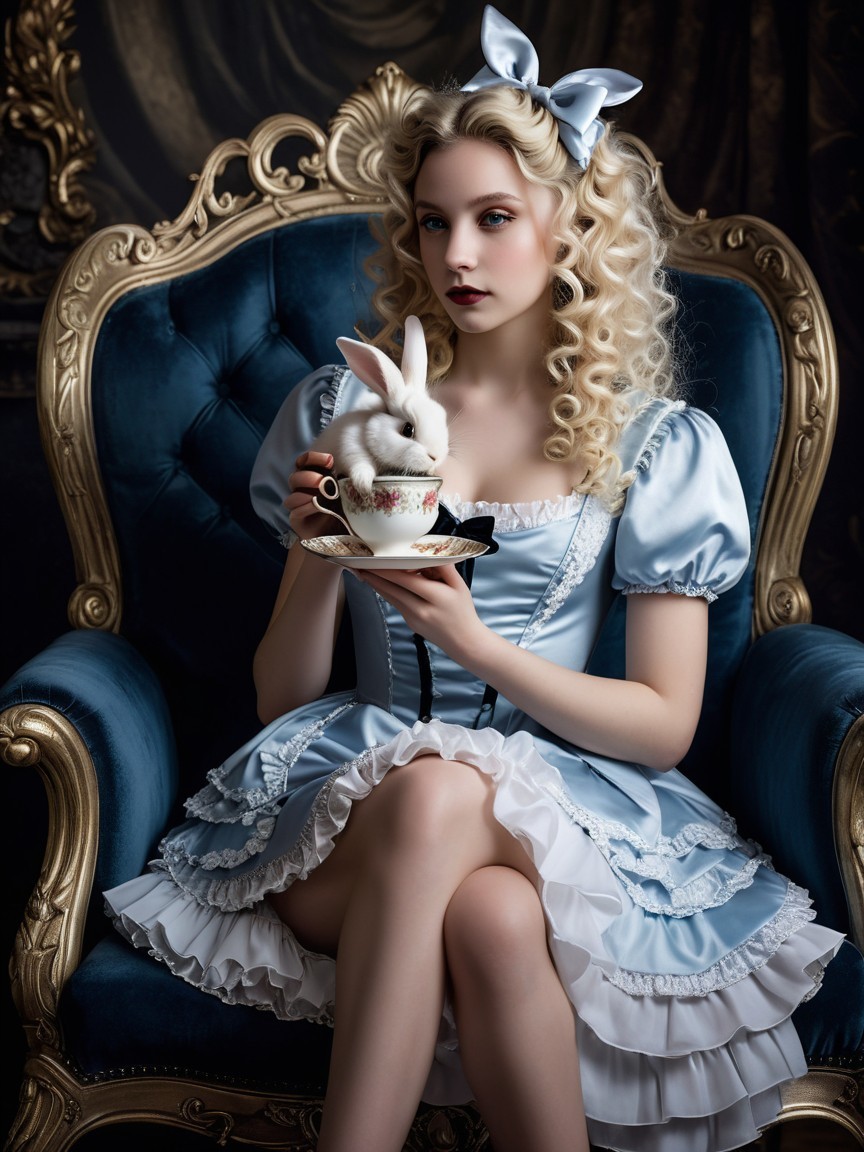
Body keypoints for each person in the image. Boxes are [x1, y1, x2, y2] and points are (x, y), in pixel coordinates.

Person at [105, 8, 843, 1151]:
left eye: (494, 219)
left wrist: (480, 643)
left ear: (568, 228)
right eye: (435, 221)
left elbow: (662, 723)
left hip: (562, 825)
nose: (455, 255)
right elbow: (281, 702)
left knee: (499, 915)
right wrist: (316, 548)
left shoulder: (651, 444)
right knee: (433, 790)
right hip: (339, 810)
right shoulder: (345, 407)